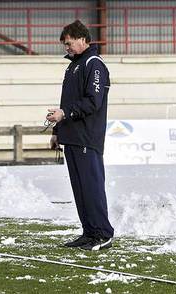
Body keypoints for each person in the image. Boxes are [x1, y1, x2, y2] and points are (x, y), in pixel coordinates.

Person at [46, 20, 114, 251]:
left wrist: (64, 113)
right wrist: (58, 130)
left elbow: (93, 102)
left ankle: (103, 233)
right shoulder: (74, 65)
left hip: (87, 137)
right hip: (72, 137)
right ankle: (89, 232)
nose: (66, 48)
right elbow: (67, 103)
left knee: (92, 187)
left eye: (69, 43)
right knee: (80, 189)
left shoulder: (94, 65)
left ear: (83, 39)